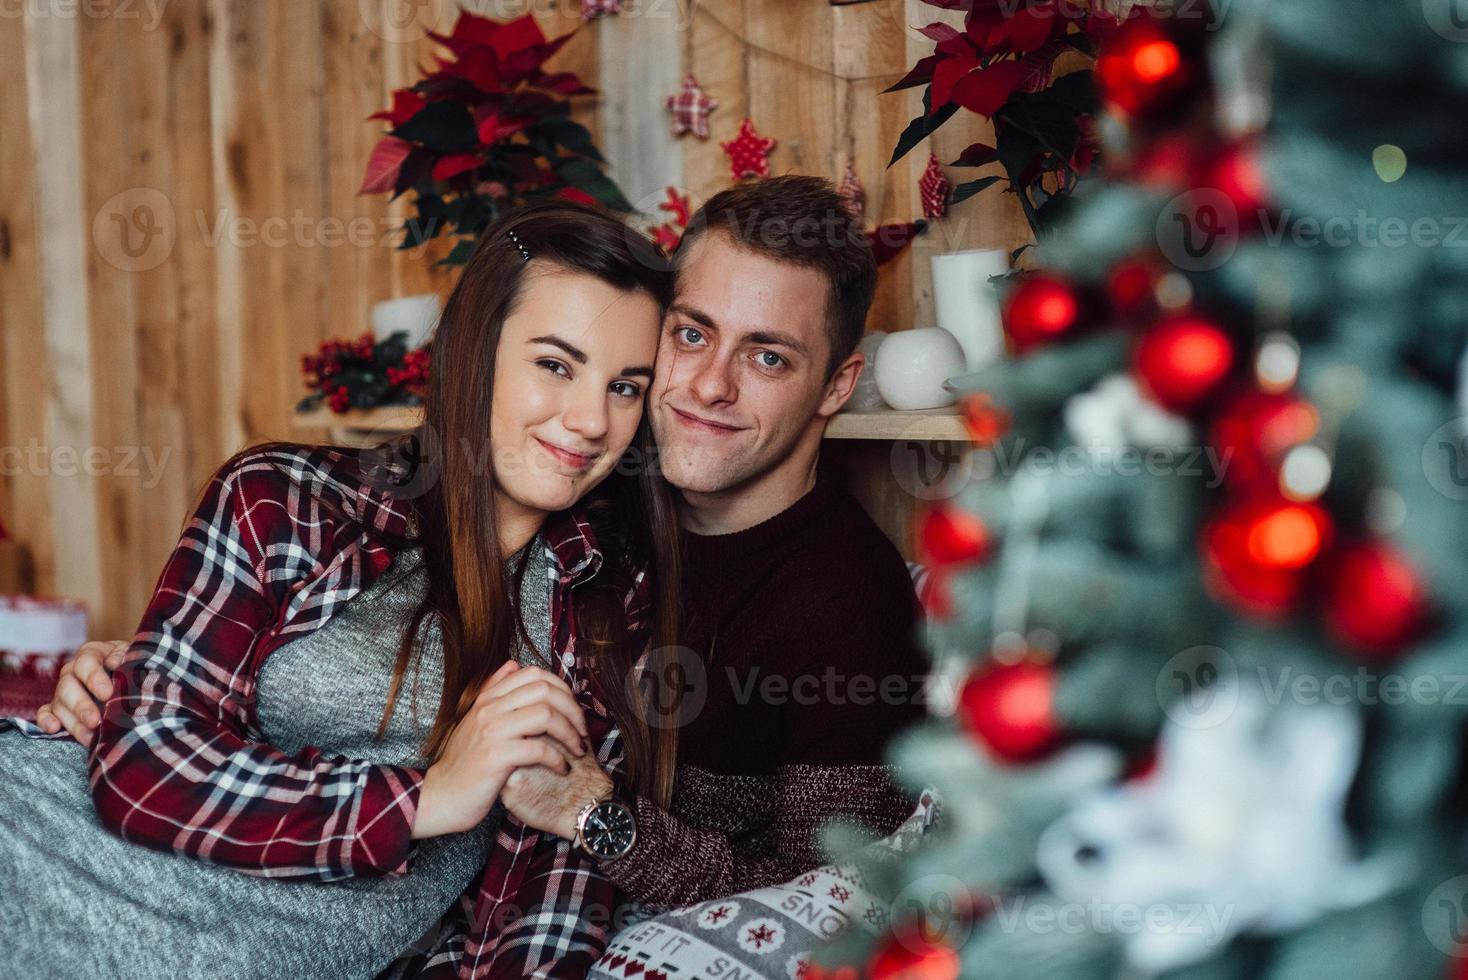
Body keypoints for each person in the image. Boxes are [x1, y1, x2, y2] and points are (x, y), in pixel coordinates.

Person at [34, 177, 929, 973]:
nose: (707, 387)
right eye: (690, 337)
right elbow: (157, 750)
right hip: (58, 843)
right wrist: (157, 672)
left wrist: (595, 816)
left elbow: (819, 898)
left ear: (837, 384)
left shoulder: (697, 598)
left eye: (768, 356)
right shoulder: (330, 501)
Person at [0, 201, 682, 980]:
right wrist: (425, 799)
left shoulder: (599, 604)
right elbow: (143, 762)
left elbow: (552, 892)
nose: (592, 419)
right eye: (555, 365)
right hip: (37, 850)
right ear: (476, 352)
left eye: (626, 387)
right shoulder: (284, 498)